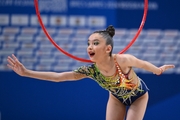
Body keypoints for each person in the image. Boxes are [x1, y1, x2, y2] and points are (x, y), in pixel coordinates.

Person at [7, 25, 175, 120]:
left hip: (138, 97)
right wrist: (26, 72)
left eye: (95, 43)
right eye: (88, 43)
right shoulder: (90, 71)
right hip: (116, 98)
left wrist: (158, 70)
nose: (90, 47)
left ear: (108, 48)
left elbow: (142, 63)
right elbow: (59, 77)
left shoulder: (122, 60)